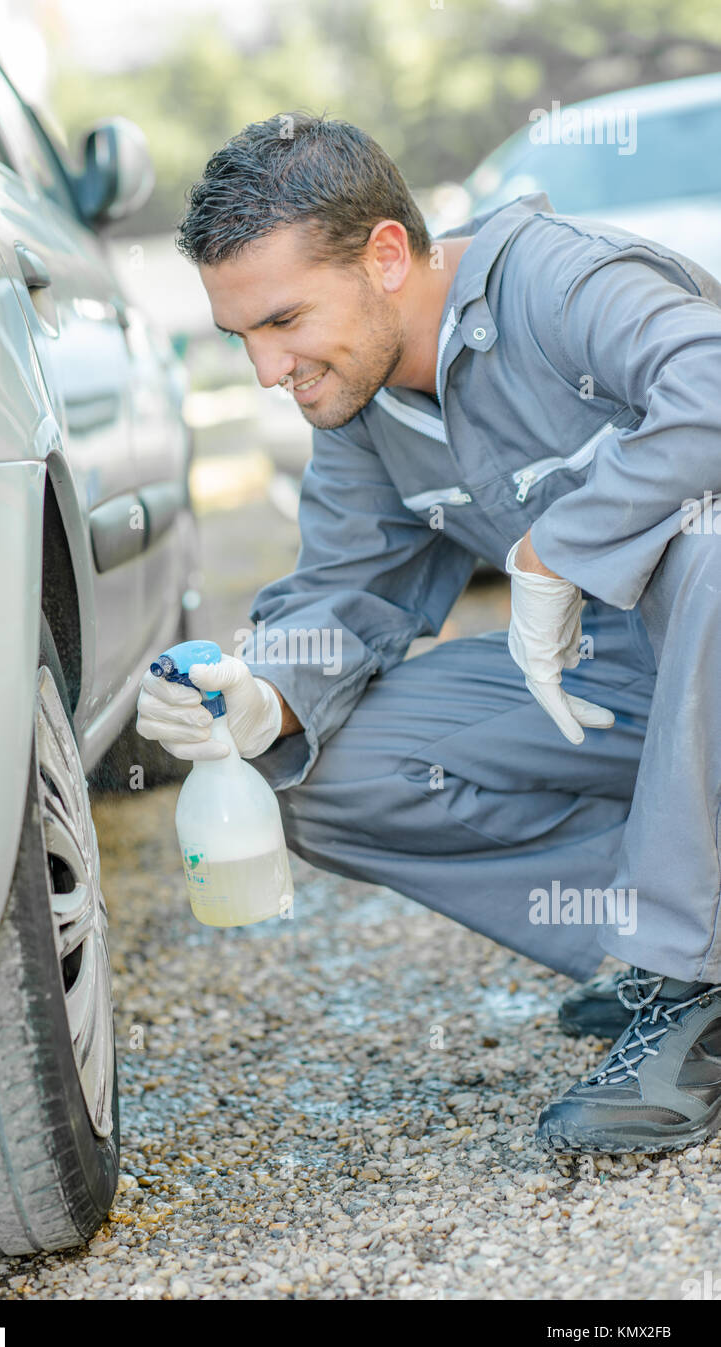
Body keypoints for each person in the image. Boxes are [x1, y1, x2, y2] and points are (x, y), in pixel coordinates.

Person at [137, 111, 721, 1155]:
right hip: (636, 691)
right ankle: (662, 944)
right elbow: (342, 589)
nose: (266, 370)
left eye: (283, 320)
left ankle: (700, 982)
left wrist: (556, 547)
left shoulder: (559, 283)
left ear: (388, 255)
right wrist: (258, 693)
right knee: (320, 766)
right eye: (243, 338)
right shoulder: (362, 412)